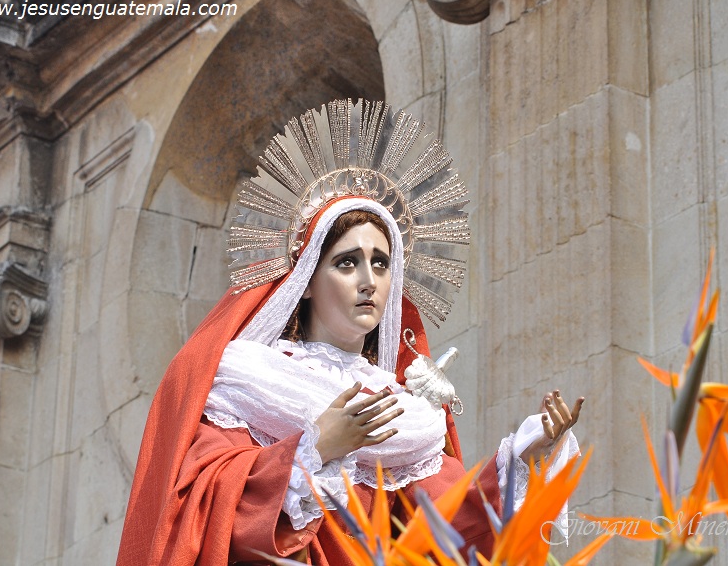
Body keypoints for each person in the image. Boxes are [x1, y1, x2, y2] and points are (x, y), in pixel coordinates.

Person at [116, 100, 582, 565]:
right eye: (346, 263)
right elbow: (202, 504)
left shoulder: (402, 416)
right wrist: (314, 448)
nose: (368, 280)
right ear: (306, 282)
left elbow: (451, 531)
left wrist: (525, 459)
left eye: (381, 264)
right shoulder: (251, 384)